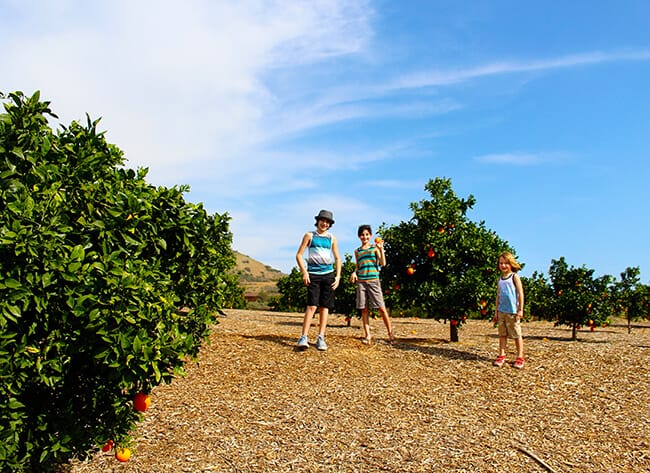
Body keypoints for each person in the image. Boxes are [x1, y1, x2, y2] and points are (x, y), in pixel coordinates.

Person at [295, 210, 342, 351]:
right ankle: (304, 337)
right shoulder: (309, 235)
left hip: (328, 275)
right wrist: (304, 272)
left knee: (324, 307)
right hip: (313, 275)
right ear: (318, 221)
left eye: (327, 222)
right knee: (312, 306)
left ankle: (321, 337)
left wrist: (338, 276)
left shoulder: (332, 238)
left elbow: (338, 258)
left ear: (330, 224)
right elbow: (299, 255)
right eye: (322, 220)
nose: (324, 223)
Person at [349, 225, 395, 344]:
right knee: (364, 309)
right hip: (361, 282)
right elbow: (358, 266)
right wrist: (354, 273)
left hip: (373, 280)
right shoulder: (357, 251)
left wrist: (381, 249)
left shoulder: (374, 249)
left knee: (381, 308)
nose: (365, 237)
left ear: (370, 235)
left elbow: (383, 263)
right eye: (362, 235)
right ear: (359, 236)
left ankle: (391, 335)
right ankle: (368, 335)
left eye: (367, 234)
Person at [492, 251, 525, 369]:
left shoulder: (514, 277)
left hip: (512, 312)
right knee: (502, 334)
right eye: (501, 263)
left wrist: (520, 309)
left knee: (516, 334)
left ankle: (520, 357)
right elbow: (498, 295)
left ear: (511, 264)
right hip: (501, 311)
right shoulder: (500, 279)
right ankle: (502, 355)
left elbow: (520, 293)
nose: (503, 265)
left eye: (506, 263)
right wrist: (496, 311)